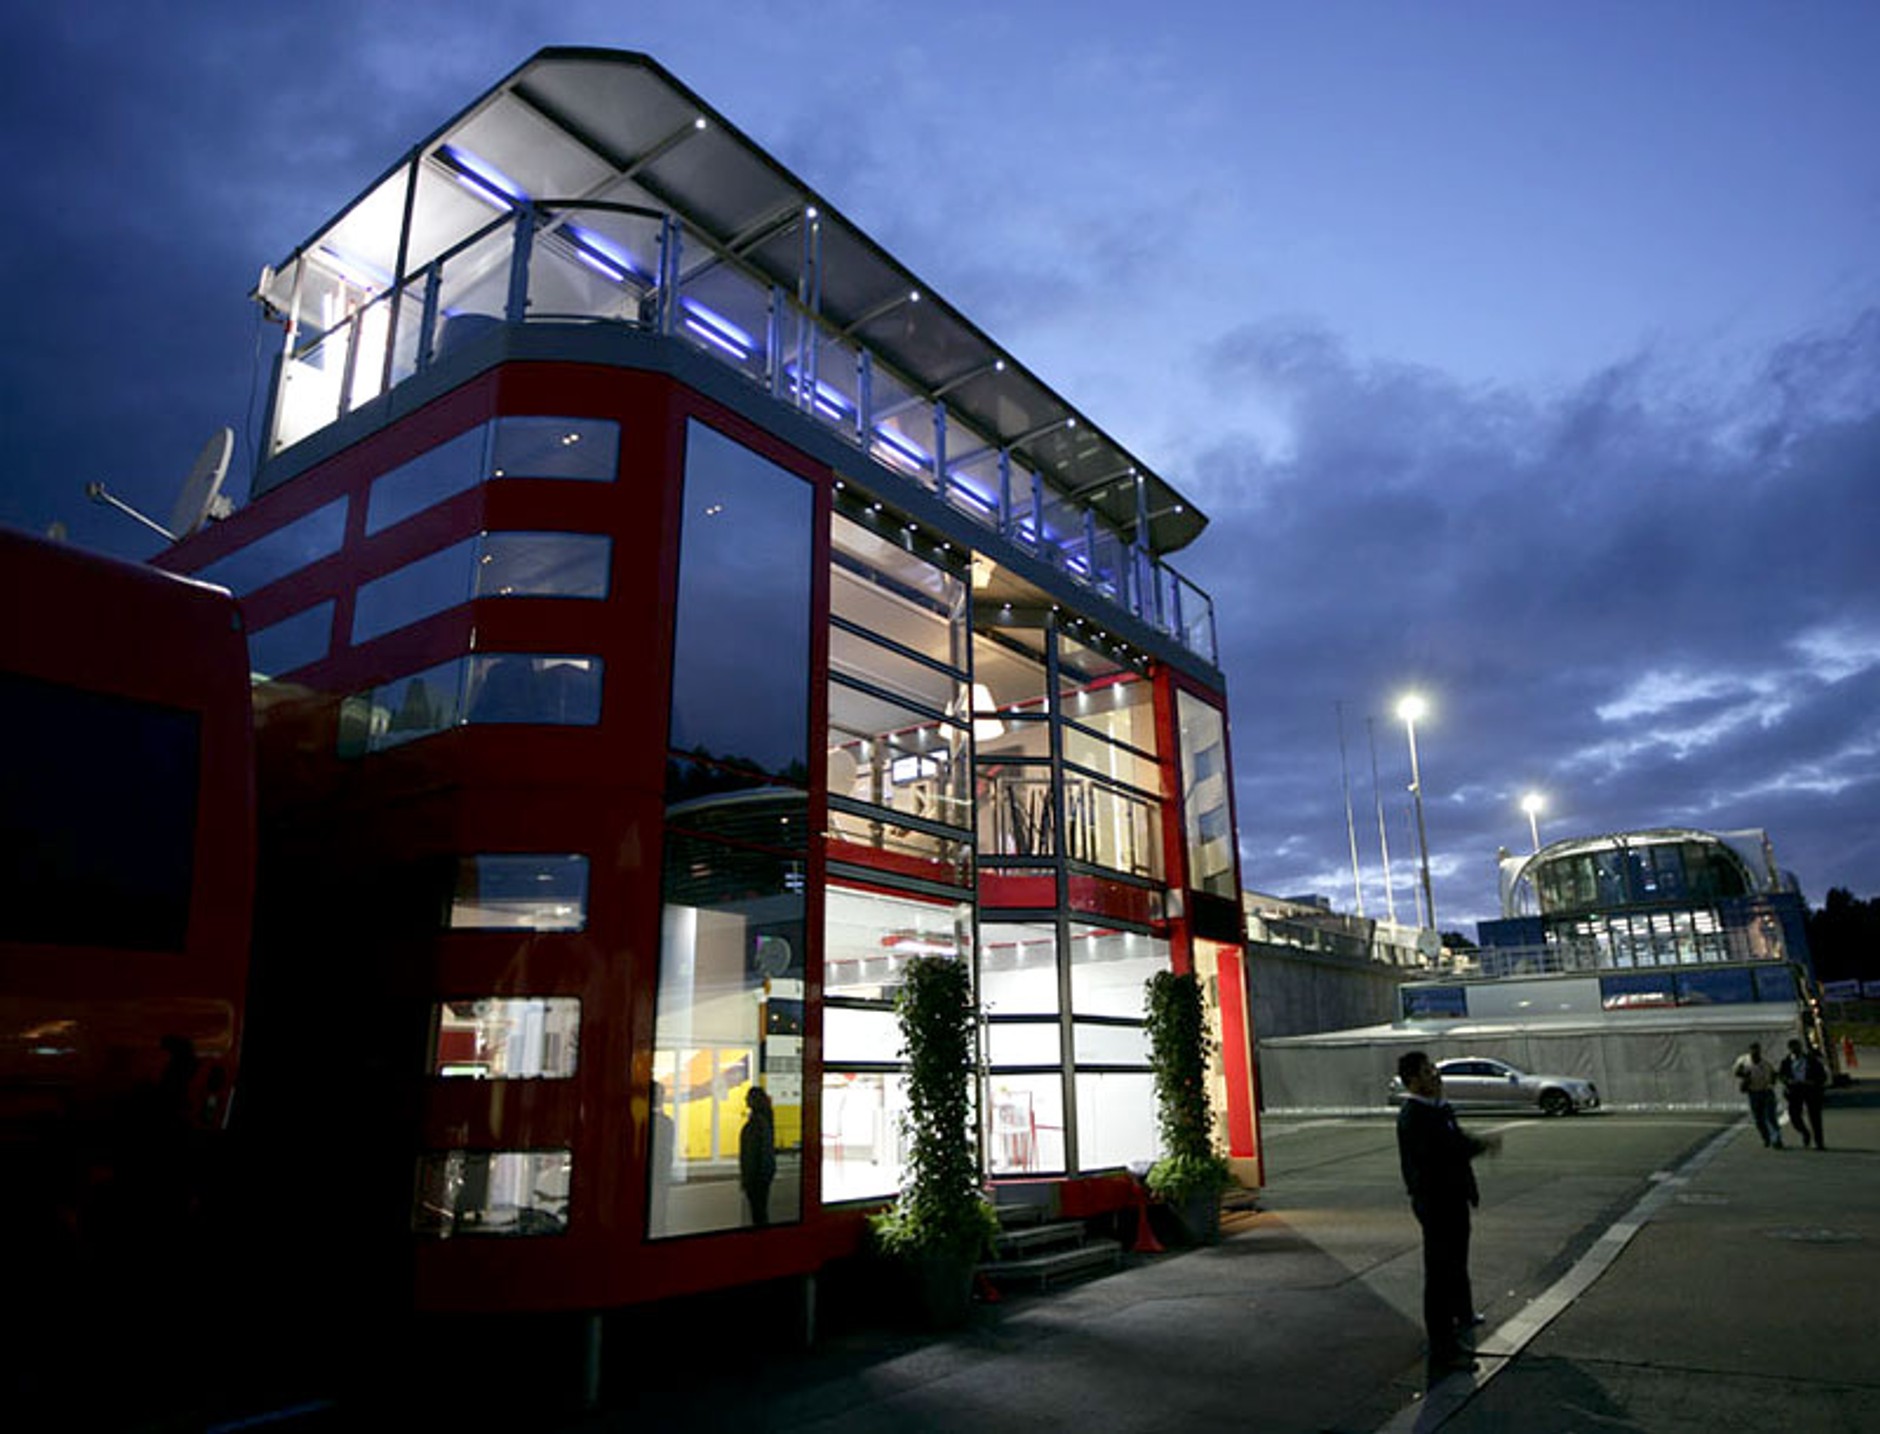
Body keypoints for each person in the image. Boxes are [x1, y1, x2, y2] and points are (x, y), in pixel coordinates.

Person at [1396, 1051, 1500, 1384]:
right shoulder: (1415, 1116)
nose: (1435, 1076)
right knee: (1440, 1274)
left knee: (1456, 1262)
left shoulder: (1439, 1109)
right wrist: (1478, 1146)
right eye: (1428, 1072)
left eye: (1434, 1071)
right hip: (1436, 1202)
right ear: (1412, 1080)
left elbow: (1455, 1143)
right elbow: (1444, 1152)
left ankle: (1463, 1315)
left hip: (1452, 1199)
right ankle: (1443, 1348)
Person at [1779, 1038, 1828, 1150]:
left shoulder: (1811, 1060)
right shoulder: (1786, 1062)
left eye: (1797, 1047)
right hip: (1794, 1090)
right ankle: (1804, 1132)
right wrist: (1788, 1081)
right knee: (1794, 1116)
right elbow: (1781, 1076)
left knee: (1815, 1117)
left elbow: (1822, 1075)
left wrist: (1813, 1082)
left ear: (1800, 1047)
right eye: (1792, 1047)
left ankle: (1819, 1142)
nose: (1795, 1049)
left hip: (1810, 1089)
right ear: (1789, 1049)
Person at [739, 1086, 777, 1227]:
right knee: (761, 1211)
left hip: (756, 1178)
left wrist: (747, 1179)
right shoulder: (765, 1119)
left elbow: (751, 1155)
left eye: (748, 1097)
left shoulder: (755, 1124)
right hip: (764, 1175)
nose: (745, 1100)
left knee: (758, 1213)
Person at [1732, 1042, 1783, 1148]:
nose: (1755, 1054)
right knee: (1758, 1119)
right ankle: (1766, 1137)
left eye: (1757, 1052)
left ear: (1760, 1052)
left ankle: (1776, 1139)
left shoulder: (1765, 1063)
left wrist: (1772, 1083)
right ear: (1750, 1051)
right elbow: (1736, 1072)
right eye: (1753, 1052)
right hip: (1753, 1092)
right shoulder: (1744, 1061)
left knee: (1770, 1116)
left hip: (1766, 1091)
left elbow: (1774, 1075)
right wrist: (1743, 1075)